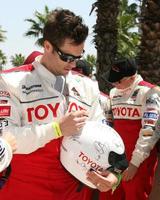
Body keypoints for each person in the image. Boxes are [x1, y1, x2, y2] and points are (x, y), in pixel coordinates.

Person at [0, 9, 127, 200]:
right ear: (48, 46)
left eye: (78, 57)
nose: (73, 65)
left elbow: (104, 139)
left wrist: (113, 176)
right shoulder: (10, 82)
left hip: (74, 194)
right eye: (67, 57)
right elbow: (7, 139)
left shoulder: (87, 86)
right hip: (23, 191)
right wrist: (57, 129)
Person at [101, 57, 160, 200]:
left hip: (139, 161)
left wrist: (135, 163)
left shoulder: (149, 92)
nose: (114, 83)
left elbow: (149, 130)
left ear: (132, 77)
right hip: (115, 159)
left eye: (118, 80)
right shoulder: (113, 92)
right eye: (112, 79)